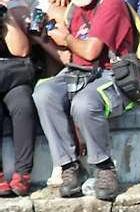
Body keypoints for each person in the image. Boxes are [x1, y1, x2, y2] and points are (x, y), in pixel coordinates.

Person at [32, 0, 134, 200]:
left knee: (84, 103)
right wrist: (47, 37)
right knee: (43, 93)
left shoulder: (111, 4)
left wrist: (66, 38)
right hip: (77, 72)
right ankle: (69, 166)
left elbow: (90, 51)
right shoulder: (74, 10)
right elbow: (71, 56)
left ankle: (104, 166)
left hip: (110, 73)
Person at [0, 0, 36, 195]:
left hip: (12, 79)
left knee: (23, 102)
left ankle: (23, 172)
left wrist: (5, 17)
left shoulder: (11, 11)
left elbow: (21, 51)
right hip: (11, 74)